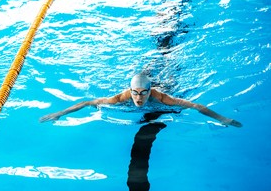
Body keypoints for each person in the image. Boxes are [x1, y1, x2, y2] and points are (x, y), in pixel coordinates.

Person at [39, 73, 242, 127]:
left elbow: (196, 106)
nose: (138, 98)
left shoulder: (162, 98)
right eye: (134, 93)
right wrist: (59, 113)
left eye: (143, 93)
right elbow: (87, 102)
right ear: (129, 90)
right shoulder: (119, 98)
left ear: (149, 90)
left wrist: (222, 119)